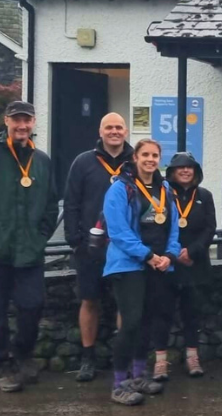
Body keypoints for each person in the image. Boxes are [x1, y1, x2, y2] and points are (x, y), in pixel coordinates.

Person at [102, 138, 179, 406]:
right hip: (129, 265)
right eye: (145, 154)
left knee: (148, 321)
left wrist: (169, 255)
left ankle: (138, 375)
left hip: (158, 266)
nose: (150, 159)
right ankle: (119, 383)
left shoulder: (165, 188)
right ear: (135, 157)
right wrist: (147, 256)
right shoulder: (121, 188)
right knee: (131, 322)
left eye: (155, 155)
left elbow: (174, 226)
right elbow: (119, 231)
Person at [62, 112, 133, 382]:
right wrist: (74, 240)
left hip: (125, 248)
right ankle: (87, 358)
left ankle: (122, 358)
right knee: (89, 299)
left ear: (125, 131)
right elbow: (71, 202)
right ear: (100, 131)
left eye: (118, 127)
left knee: (124, 303)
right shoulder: (83, 162)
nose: (114, 131)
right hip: (90, 248)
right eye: (109, 127)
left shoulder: (135, 161)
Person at [0, 102, 59, 394]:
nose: (21, 126)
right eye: (16, 120)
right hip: (0, 251)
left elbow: (51, 203)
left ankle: (22, 355)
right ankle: (5, 365)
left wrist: (41, 236)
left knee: (32, 307)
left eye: (26, 120)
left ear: (33, 122)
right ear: (6, 121)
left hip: (29, 253)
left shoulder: (43, 160)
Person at [153, 152, 216, 382]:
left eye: (189, 167)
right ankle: (160, 361)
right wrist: (173, 253)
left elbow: (210, 228)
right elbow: (157, 227)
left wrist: (192, 251)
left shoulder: (205, 195)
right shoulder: (162, 194)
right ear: (171, 172)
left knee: (192, 314)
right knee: (162, 313)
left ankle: (192, 357)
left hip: (195, 264)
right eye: (180, 167)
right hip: (167, 264)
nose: (185, 171)